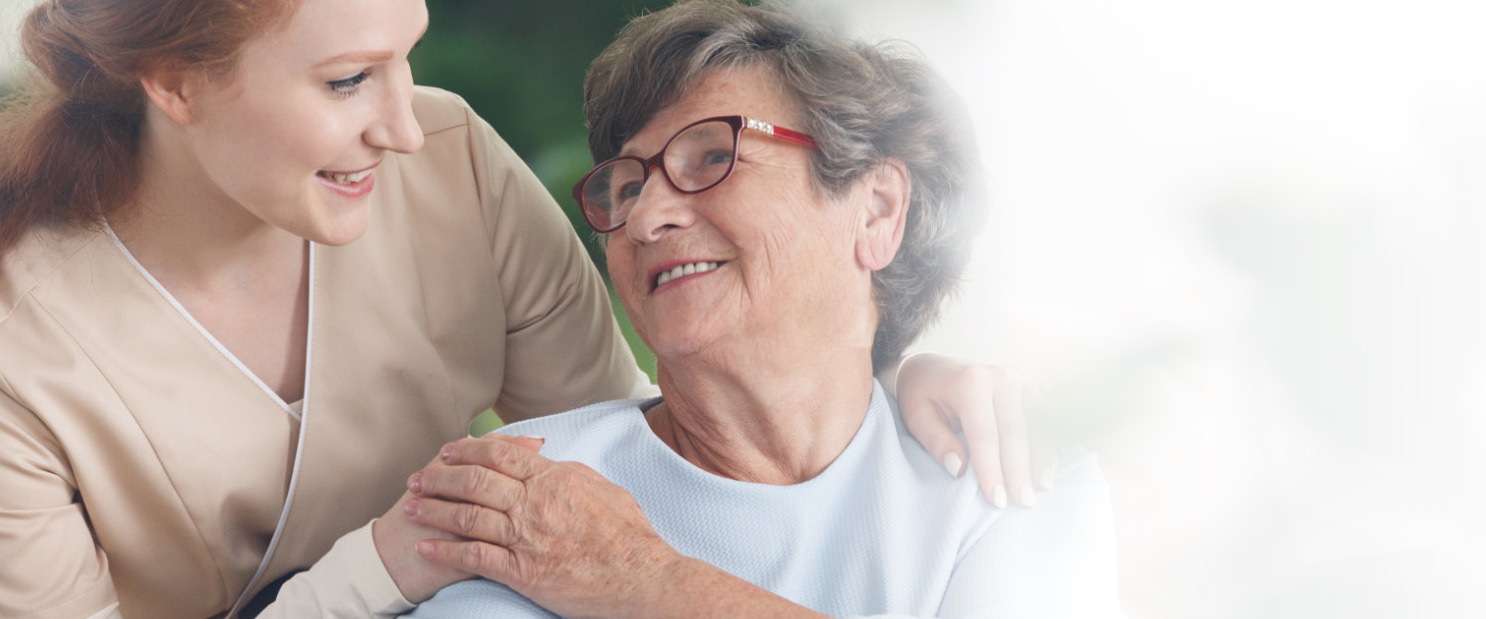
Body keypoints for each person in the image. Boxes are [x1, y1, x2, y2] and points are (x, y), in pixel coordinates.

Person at [0, 0, 1046, 617]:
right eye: (350, 79)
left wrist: (867, 354)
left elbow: (658, 457)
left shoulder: (450, 168)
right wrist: (381, 565)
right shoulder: (24, 355)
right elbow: (611, 545)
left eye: (408, 52)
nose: (406, 126)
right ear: (174, 83)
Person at [395, 2, 1123, 617]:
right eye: (623, 185)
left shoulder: (1008, 483)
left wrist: (646, 580)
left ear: (875, 210)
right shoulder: (528, 497)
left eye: (711, 156)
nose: (645, 217)